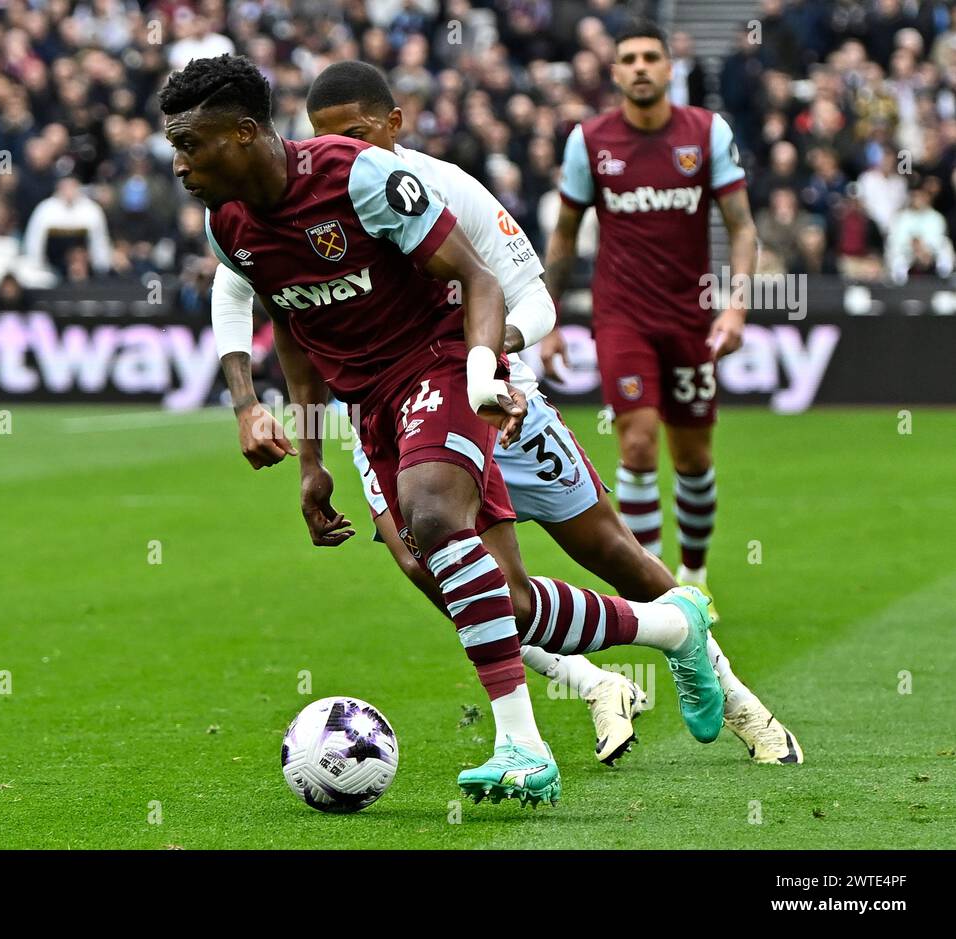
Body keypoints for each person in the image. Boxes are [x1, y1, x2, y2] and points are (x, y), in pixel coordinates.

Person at [161, 54, 727, 809]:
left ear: (243, 132)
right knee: (506, 599)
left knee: (431, 518)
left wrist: (484, 371)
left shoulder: (359, 176)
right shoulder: (228, 225)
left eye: (190, 145)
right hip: (368, 407)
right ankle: (669, 627)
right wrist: (309, 459)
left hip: (439, 364)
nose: (179, 164)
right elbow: (294, 337)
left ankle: (522, 744)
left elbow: (480, 279)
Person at [536, 21, 803, 763]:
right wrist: (550, 320)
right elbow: (563, 236)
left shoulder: (704, 132)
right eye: (629, 59)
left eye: (652, 56)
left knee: (693, 457)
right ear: (615, 73)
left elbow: (741, 225)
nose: (641, 68)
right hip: (621, 316)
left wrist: (737, 302)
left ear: (668, 67)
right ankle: (660, 599)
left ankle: (693, 574)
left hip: (691, 316)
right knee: (637, 441)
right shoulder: (589, 141)